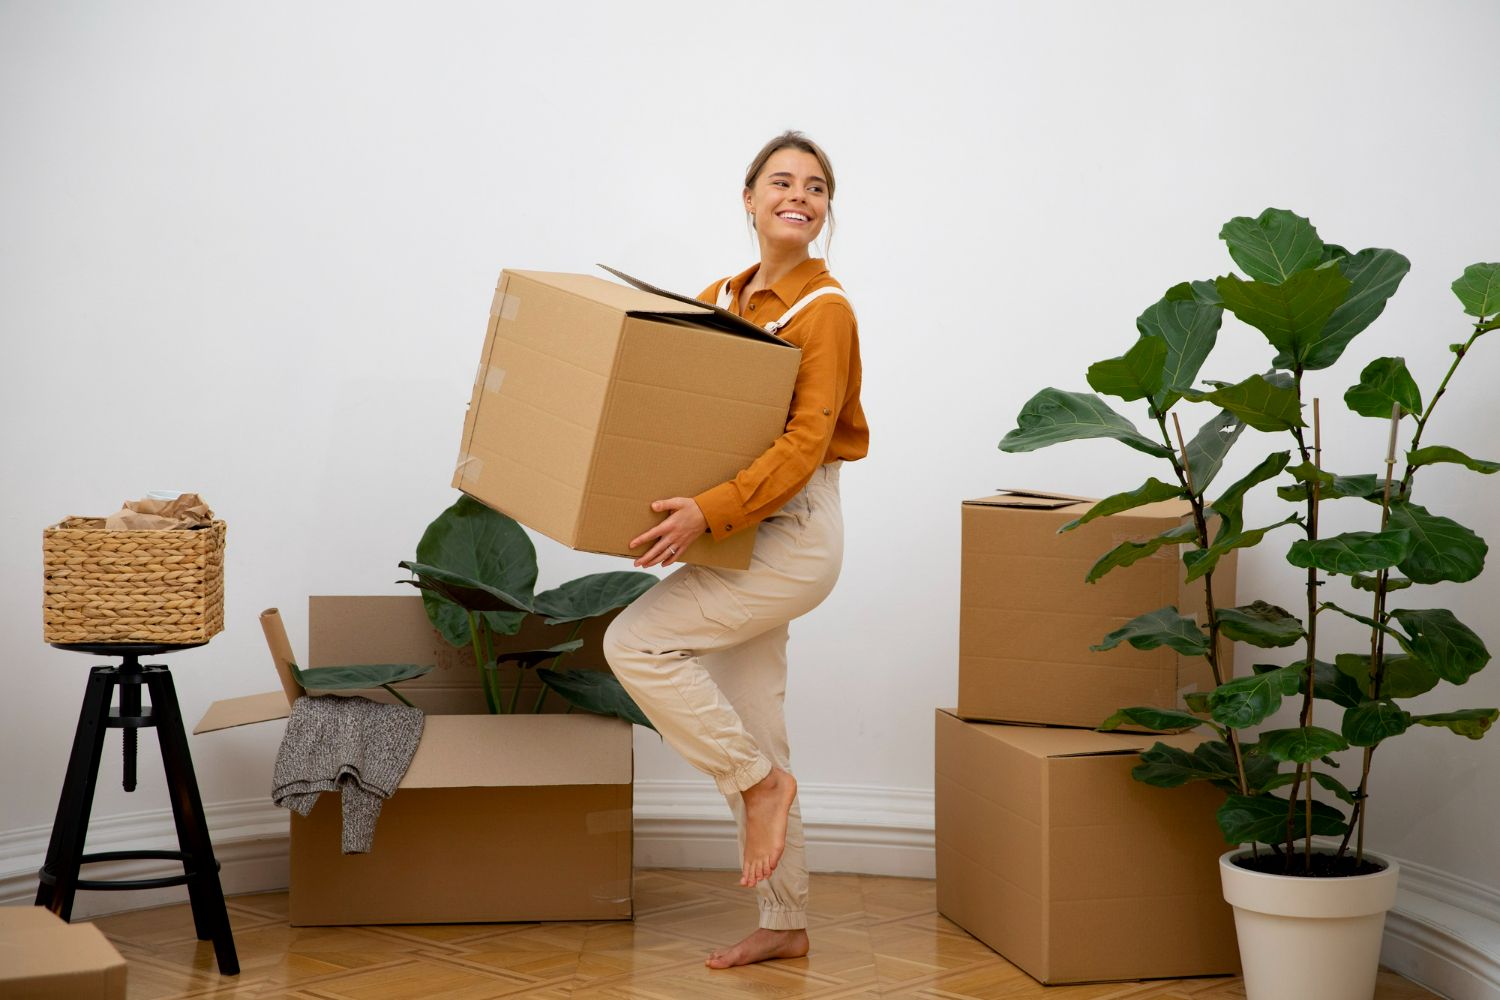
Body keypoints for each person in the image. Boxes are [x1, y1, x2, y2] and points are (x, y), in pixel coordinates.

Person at [603, 130, 868, 970]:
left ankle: (755, 788)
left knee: (634, 643)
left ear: (826, 211)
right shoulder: (719, 295)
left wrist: (705, 515)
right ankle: (785, 920)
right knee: (757, 720)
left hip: (790, 531)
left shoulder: (827, 312)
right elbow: (682, 404)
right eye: (783, 181)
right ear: (748, 198)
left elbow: (801, 445)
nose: (801, 195)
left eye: (817, 187)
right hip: (736, 526)